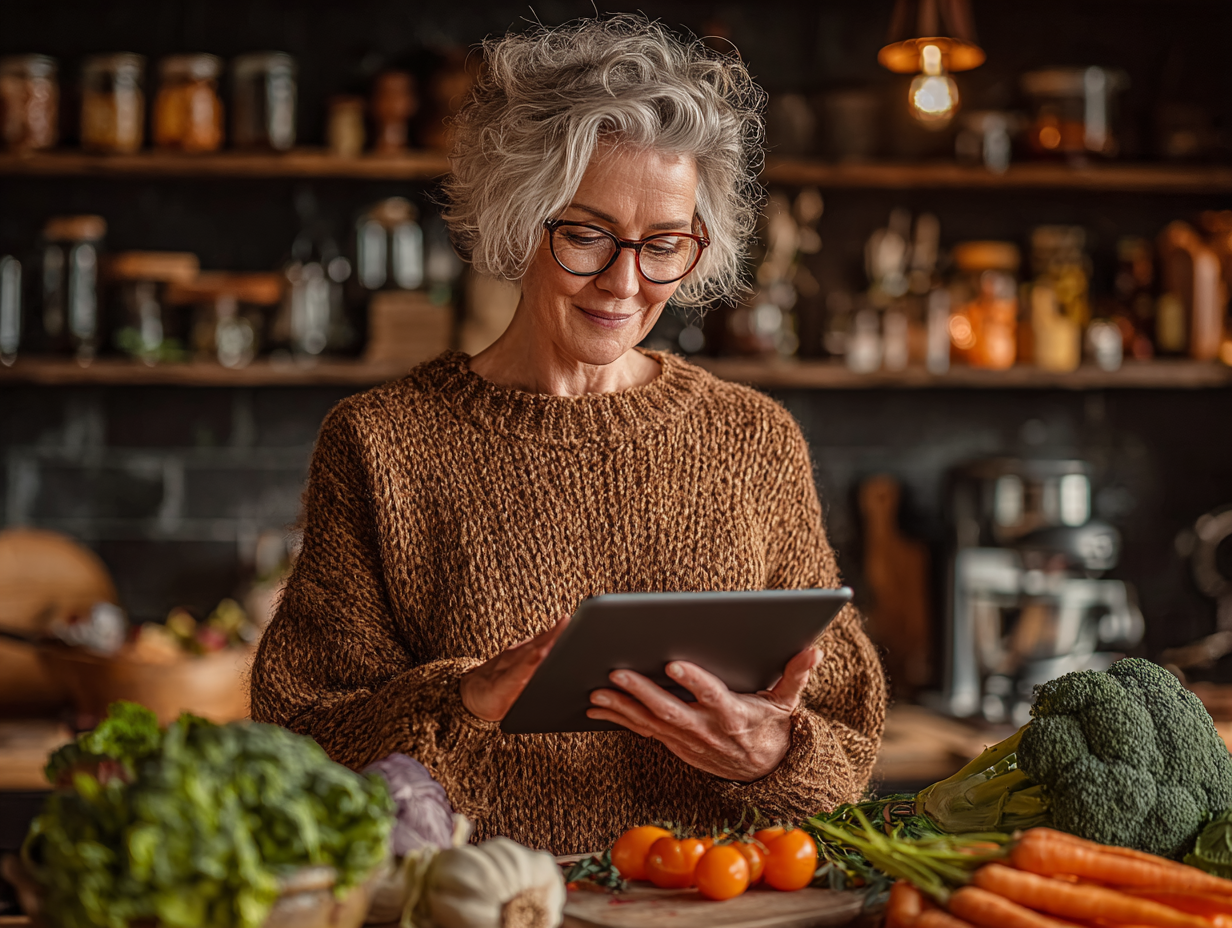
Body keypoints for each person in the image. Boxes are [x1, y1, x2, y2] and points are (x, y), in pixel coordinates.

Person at [250, 15, 886, 855]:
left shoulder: (752, 439)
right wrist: (464, 701)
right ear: (519, 217)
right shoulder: (382, 444)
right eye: (586, 234)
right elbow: (300, 737)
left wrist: (771, 753)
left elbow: (846, 737)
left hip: (712, 901)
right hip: (483, 904)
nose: (626, 282)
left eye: (665, 244)